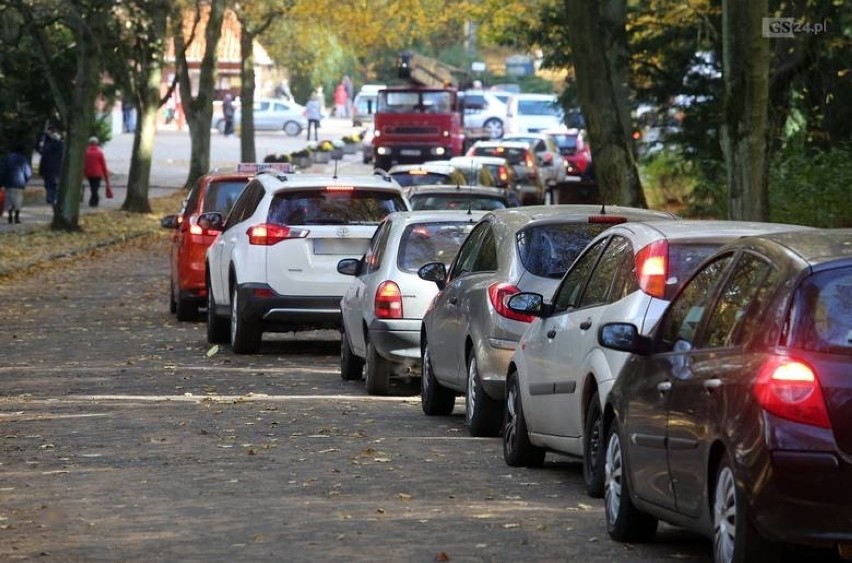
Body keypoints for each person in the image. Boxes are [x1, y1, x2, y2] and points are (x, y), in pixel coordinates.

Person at [0, 143, 32, 224]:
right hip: (19, 182)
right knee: (18, 199)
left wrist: (2, 182)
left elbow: (3, 171)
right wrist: (26, 180)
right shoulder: (23, 159)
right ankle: (17, 217)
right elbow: (27, 172)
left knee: (9, 199)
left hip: (8, 182)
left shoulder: (7, 158)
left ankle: (10, 215)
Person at [35, 124, 64, 207]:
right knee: (53, 183)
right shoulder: (59, 145)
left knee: (49, 183)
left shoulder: (48, 145)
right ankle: (52, 197)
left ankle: (50, 197)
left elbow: (41, 152)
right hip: (56, 168)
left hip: (48, 168)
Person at [84, 136, 112, 208]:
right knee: (95, 187)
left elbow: (83, 163)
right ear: (96, 143)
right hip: (97, 173)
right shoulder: (99, 153)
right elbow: (103, 165)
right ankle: (94, 201)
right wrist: (106, 176)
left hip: (89, 173)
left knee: (92, 187)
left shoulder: (86, 152)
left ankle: (93, 201)